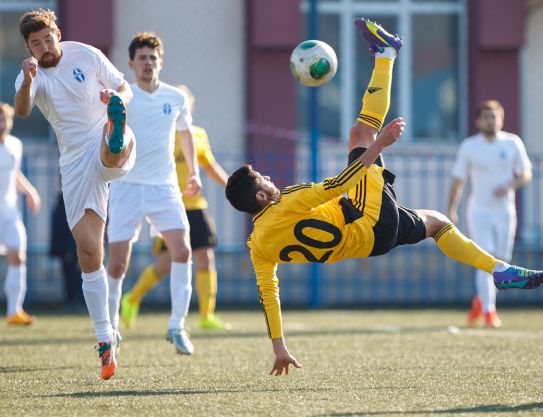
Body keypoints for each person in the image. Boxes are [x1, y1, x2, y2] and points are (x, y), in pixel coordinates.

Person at [225, 18, 543, 376]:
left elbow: (270, 296)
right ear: (264, 196)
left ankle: (499, 271)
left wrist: (280, 347)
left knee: (439, 223)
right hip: (367, 215)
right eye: (264, 180)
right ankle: (386, 54)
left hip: (372, 242)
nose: (270, 180)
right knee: (362, 131)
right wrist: (379, 145)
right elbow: (336, 186)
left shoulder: (258, 246)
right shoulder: (285, 201)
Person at [14, 9, 136, 380]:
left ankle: (116, 131)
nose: (45, 47)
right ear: (29, 46)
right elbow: (21, 111)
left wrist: (117, 98)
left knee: (111, 149)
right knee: (88, 251)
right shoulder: (31, 72)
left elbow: (126, 88)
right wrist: (26, 81)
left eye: (48, 38)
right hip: (74, 163)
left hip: (105, 141)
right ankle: (105, 337)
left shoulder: (85, 53)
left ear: (58, 33)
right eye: (36, 43)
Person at [106, 33, 201, 356]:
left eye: (153, 58)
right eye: (142, 58)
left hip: (164, 188)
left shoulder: (175, 98)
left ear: (161, 63)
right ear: (131, 64)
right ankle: (110, 332)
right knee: (117, 264)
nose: (148, 63)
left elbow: (186, 133)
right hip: (126, 187)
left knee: (183, 250)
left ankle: (177, 326)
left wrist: (194, 172)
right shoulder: (125, 97)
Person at [120, 84, 231, 331]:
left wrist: (231, 187)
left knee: (206, 257)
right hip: (168, 203)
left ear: (190, 106)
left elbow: (210, 165)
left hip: (195, 205)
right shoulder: (162, 132)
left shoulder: (198, 135)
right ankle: (131, 298)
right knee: (166, 264)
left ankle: (206, 316)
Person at [447, 101, 532, 328]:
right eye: (486, 116)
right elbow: (458, 179)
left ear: (501, 119)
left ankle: (480, 300)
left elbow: (526, 173)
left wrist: (511, 185)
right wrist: (451, 210)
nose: (490, 120)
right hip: (480, 211)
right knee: (486, 261)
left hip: (505, 212)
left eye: (494, 116)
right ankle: (489, 311)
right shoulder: (469, 146)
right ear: (478, 121)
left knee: (503, 262)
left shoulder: (513, 143)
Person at [0, 102, 41, 325]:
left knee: (18, 257)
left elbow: (14, 174)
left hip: (9, 210)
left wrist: (30, 191)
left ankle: (14, 311)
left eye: (5, 119)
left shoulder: (16, 145)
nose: (2, 124)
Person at [50, 191, 84, 311]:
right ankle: (72, 300)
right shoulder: (62, 202)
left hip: (74, 245)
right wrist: (65, 248)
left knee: (80, 271)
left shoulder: (79, 200)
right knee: (70, 272)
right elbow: (61, 228)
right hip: (68, 247)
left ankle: (79, 299)